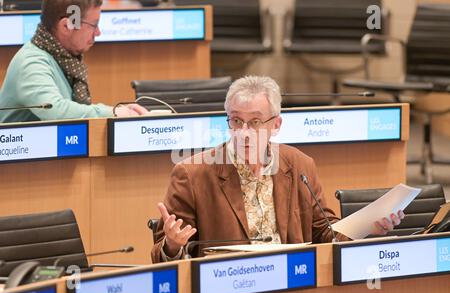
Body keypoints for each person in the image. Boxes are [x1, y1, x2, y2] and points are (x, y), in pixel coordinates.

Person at [151, 75, 405, 263]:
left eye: (256, 122)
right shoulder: (193, 174)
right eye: (236, 121)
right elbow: (162, 259)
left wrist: (368, 227)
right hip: (231, 285)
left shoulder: (299, 165)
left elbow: (325, 235)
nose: (244, 133)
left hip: (291, 279)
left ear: (276, 124)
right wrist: (172, 245)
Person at [0, 0, 147, 123]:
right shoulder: (30, 63)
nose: (98, 33)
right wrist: (114, 113)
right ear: (66, 26)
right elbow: (56, 111)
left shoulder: (65, 58)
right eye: (94, 25)